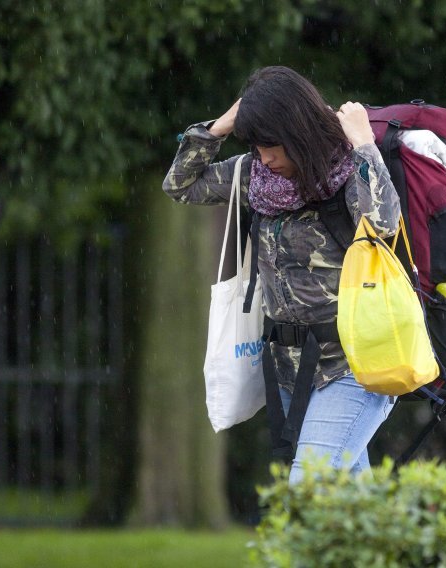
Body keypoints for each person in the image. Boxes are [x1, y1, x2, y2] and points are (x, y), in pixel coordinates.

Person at [163, 66, 401, 484]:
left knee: (306, 491)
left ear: (298, 133)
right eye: (256, 146)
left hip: (354, 366)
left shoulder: (346, 174)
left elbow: (383, 223)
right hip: (293, 372)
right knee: (350, 511)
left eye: (271, 145)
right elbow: (181, 185)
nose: (265, 157)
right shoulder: (254, 177)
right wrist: (219, 127)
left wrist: (364, 143)